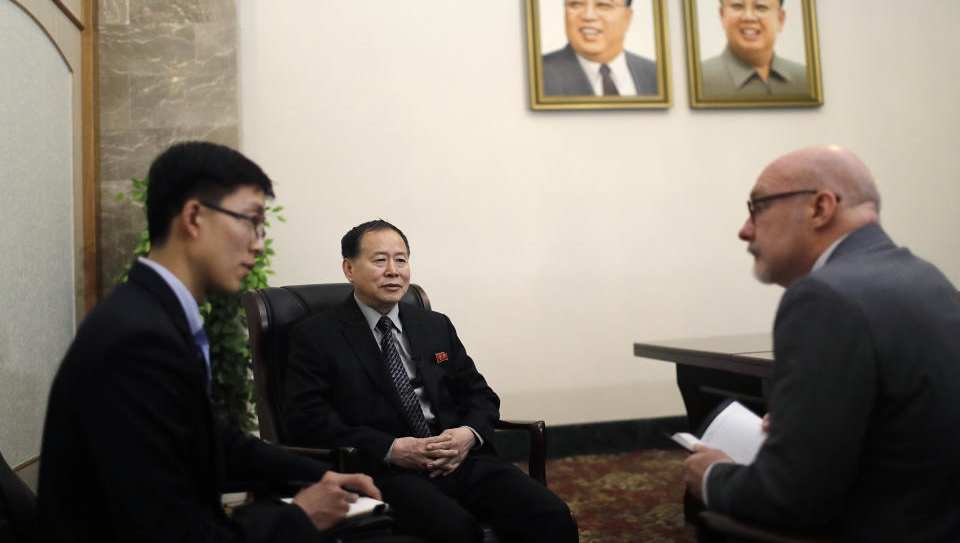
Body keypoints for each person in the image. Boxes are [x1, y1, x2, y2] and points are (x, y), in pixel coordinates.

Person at [37, 142, 419, 543]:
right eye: (251, 222)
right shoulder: (137, 340)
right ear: (194, 218)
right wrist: (302, 515)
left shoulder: (157, 313)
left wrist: (320, 475)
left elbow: (214, 441)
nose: (258, 243)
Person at [683, 146, 960, 541]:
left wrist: (712, 475)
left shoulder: (823, 297)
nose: (745, 229)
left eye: (757, 207)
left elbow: (792, 499)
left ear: (820, 208)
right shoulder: (926, 277)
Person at [283, 220, 579, 543]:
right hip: (387, 471)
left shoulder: (434, 325)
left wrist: (467, 435)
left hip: (458, 458)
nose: (393, 271)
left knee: (552, 515)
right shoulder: (316, 336)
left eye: (401, 260)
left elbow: (480, 394)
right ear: (349, 268)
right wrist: (393, 449)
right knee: (456, 530)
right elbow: (307, 420)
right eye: (380, 260)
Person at [542, 0, 657, 96]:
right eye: (576, 3)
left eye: (603, 5)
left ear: (628, 17)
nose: (588, 16)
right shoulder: (539, 73)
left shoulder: (655, 73)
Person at [700, 0, 807, 95]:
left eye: (761, 6)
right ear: (722, 15)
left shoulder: (805, 79)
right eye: (737, 5)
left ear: (780, 19)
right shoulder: (700, 78)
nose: (749, 17)